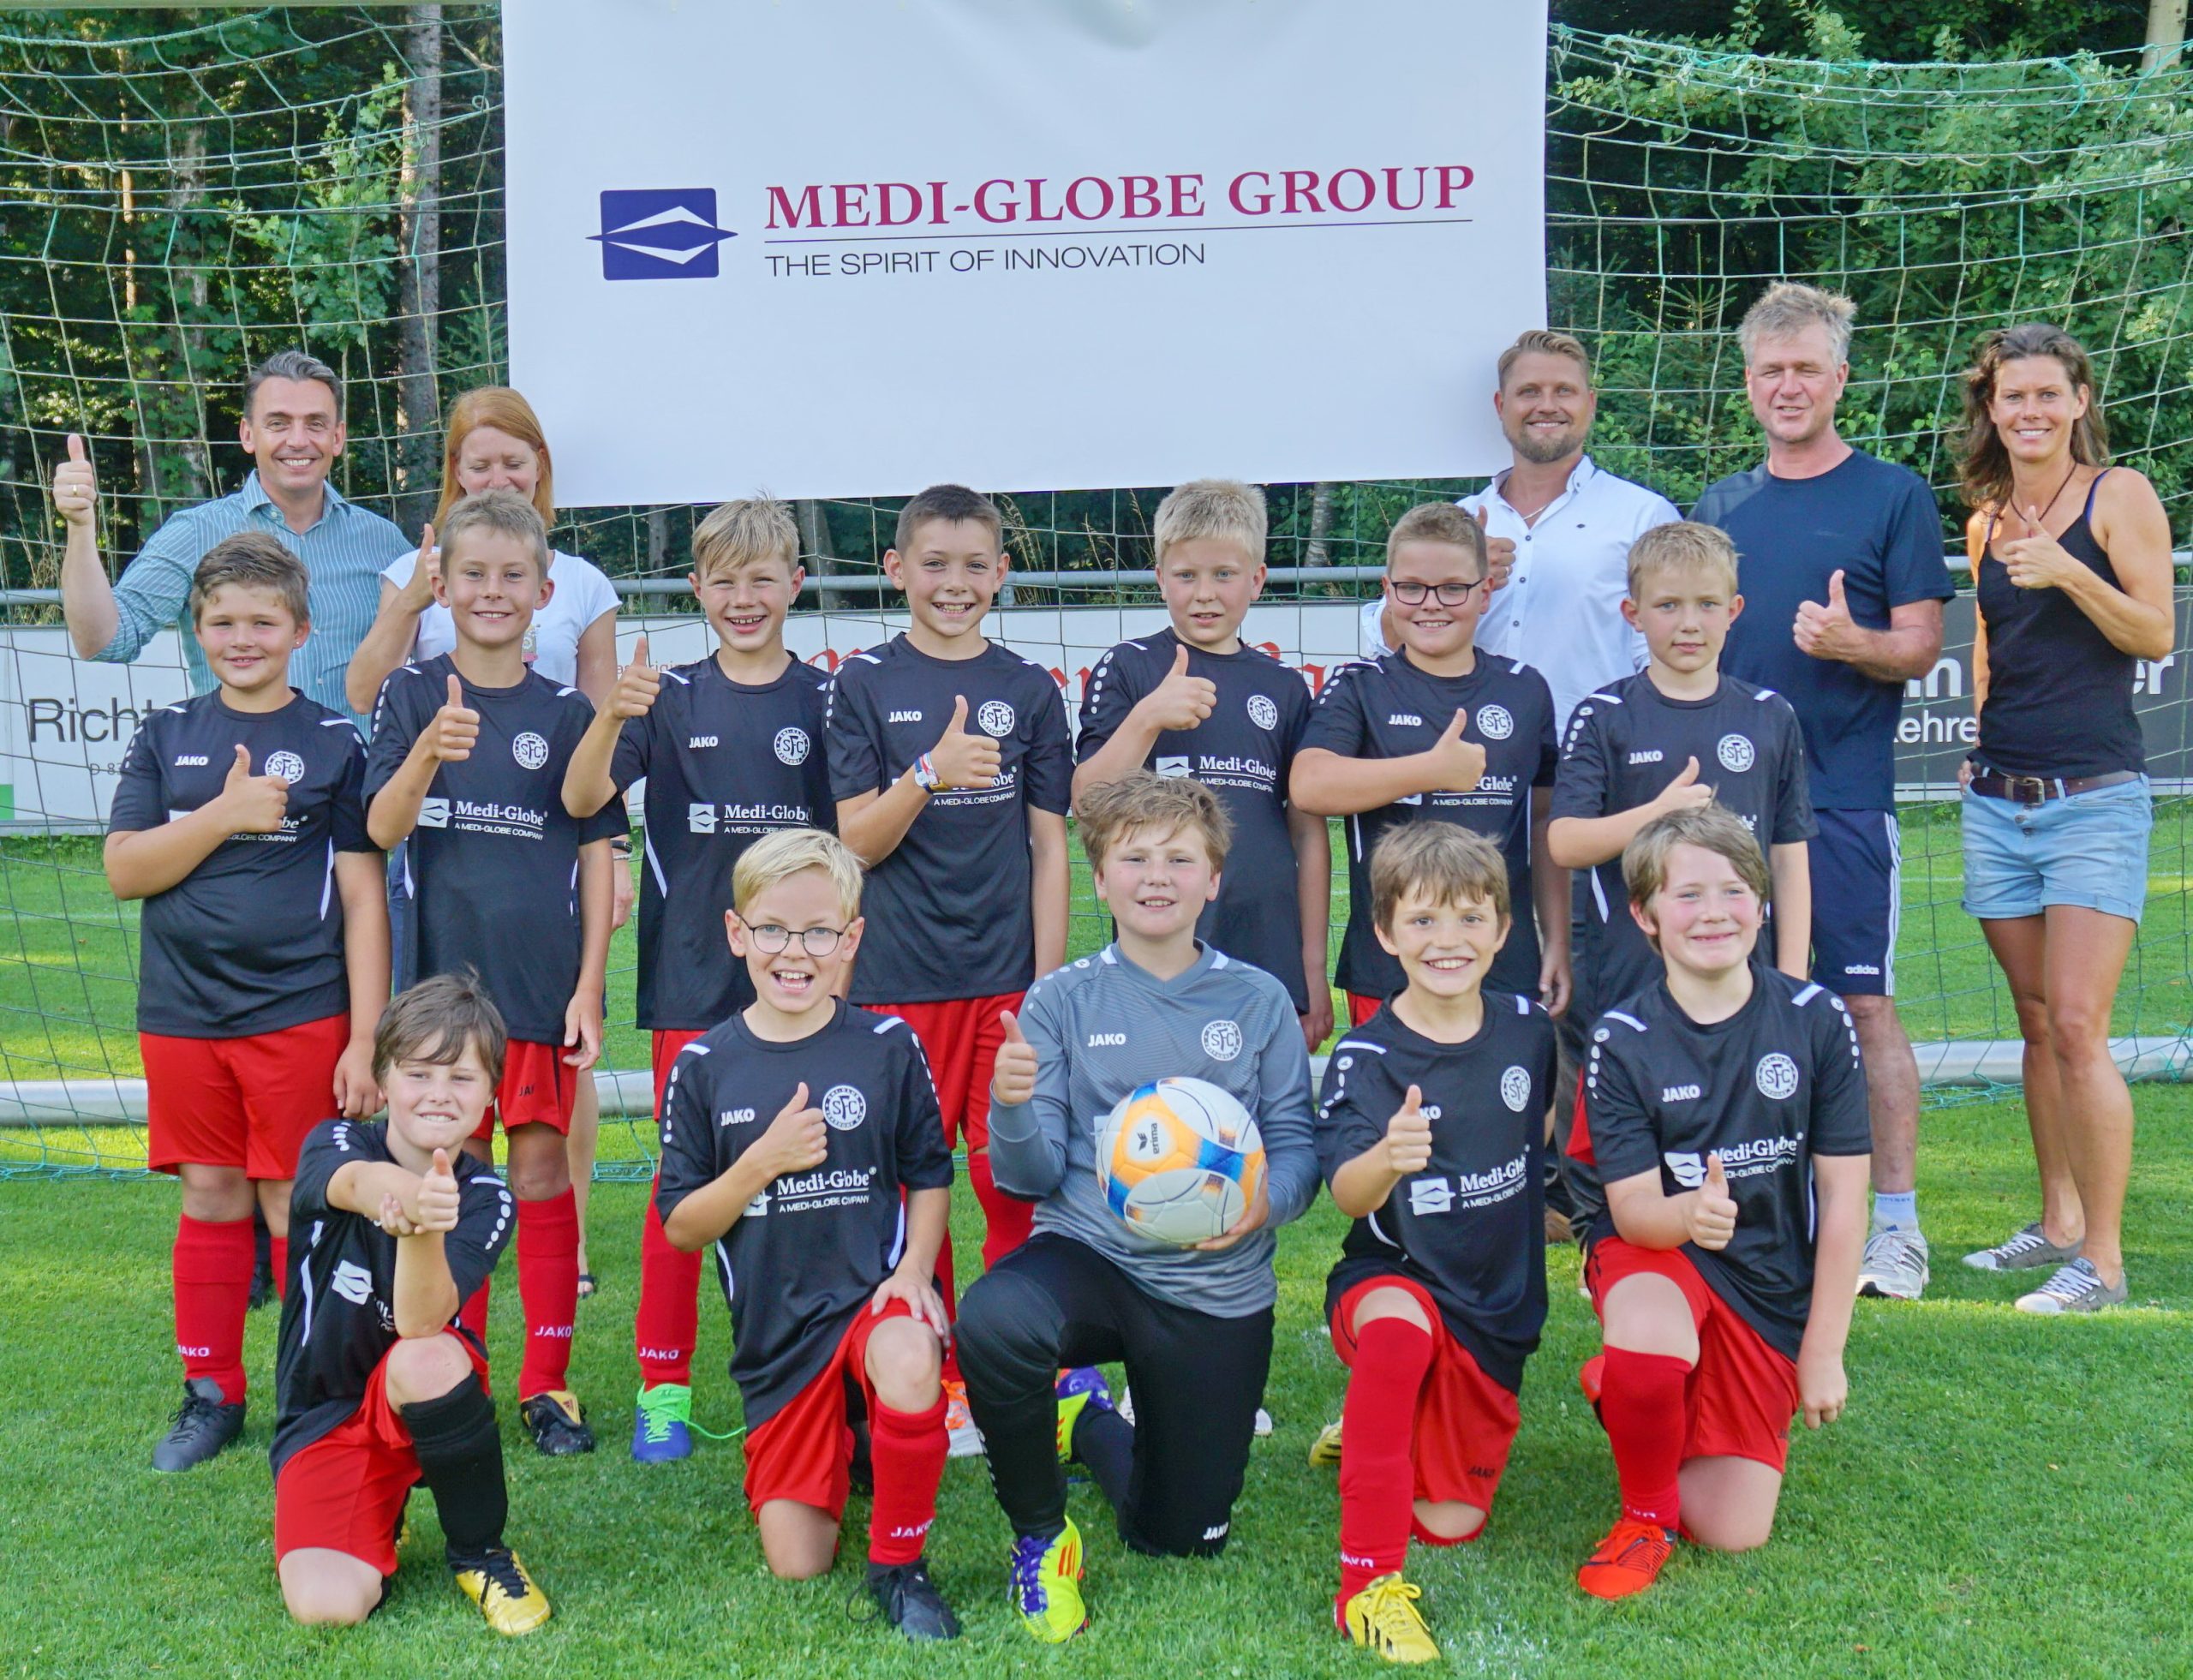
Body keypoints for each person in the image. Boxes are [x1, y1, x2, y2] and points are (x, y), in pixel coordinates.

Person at [955, 772, 1318, 1643]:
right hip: (1092, 1257)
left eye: (1180, 859)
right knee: (995, 1321)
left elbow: (1298, 1147)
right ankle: (1042, 1540)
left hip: (1213, 1285)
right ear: (1099, 879)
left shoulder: (1259, 999)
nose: (1158, 876)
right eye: (1135, 858)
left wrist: (1264, 1203)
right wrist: (1011, 1102)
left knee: (1177, 1538)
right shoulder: (1061, 1000)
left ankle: (1084, 1420)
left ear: (1214, 879)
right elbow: (1029, 1177)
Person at [105, 535, 389, 1471]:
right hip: (182, 1011)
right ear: (197, 630)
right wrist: (223, 814)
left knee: (291, 1198)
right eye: (222, 621)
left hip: (299, 1010)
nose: (241, 638)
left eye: (262, 621)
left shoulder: (335, 739)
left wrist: (365, 1037)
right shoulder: (165, 733)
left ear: (300, 631)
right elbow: (124, 870)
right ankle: (212, 1394)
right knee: (210, 1190)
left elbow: (363, 897)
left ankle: (316, 1388)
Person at [1694, 283, 1953, 1302]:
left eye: (1807, 368)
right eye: (1771, 370)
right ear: (1747, 382)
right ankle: (1756, 1217)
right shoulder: (1718, 506)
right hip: (1725, 810)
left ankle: (1895, 1225)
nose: (1788, 385)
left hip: (1841, 798)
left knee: (1859, 1005)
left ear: (1840, 378)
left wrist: (1853, 642)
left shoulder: (1892, 494)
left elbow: (1921, 644)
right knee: (1727, 1004)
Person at [562, 497, 835, 1460]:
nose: (744, 598)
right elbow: (582, 795)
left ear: (796, 583)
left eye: (763, 579)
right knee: (682, 1186)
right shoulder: (667, 696)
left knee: (818, 1179)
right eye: (724, 581)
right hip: (690, 978)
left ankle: (809, 1370)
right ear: (696, 589)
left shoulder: (827, 699)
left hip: (803, 981)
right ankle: (663, 1385)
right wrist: (611, 713)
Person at [343, 386, 626, 1300]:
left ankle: (547, 1364)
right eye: (473, 576)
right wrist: (428, 751)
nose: (492, 593)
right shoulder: (411, 694)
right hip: (438, 981)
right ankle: (450, 1337)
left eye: (512, 578)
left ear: (544, 593)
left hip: (541, 983)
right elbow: (382, 828)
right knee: (449, 1165)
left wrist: (589, 986)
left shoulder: (570, 713)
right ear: (442, 587)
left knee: (539, 1168)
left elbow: (594, 846)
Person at [655, 829, 961, 1640]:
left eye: (819, 932)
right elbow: (682, 1226)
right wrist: (761, 1161)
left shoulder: (887, 1046)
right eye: (773, 930)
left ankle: (899, 1568)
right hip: (779, 1342)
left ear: (850, 939)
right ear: (737, 933)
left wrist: (916, 1271)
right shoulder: (702, 1065)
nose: (795, 952)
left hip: (868, 1305)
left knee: (908, 1353)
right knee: (798, 1560)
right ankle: (854, 1437)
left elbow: (931, 1173)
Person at [1563, 805, 1869, 1599]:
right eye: (1688, 894)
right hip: (1659, 1245)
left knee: (1734, 1530)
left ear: (1762, 904)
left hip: (1768, 1280)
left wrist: (1824, 1349)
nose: (1713, 913)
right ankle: (1645, 1517)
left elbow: (1843, 1197)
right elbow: (1632, 1207)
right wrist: (1688, 1217)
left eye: (1733, 891)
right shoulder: (1623, 1036)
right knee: (1649, 1332)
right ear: (1645, 915)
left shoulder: (1816, 1018)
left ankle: (1628, 1390)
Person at [827, 482, 1073, 1453]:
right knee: (905, 1189)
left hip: (1005, 982)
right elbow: (855, 842)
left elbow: (1049, 848)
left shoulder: (1031, 688)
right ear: (897, 569)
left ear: (1002, 574)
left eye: (975, 565)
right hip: (896, 981)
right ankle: (929, 1372)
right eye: (934, 563)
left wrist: (1046, 985)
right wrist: (928, 772)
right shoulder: (861, 683)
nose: (954, 582)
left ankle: (1012, 1371)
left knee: (1010, 1181)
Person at [1952, 324, 2172, 1313]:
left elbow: (2155, 632)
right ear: (1991, 408)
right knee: (2037, 1023)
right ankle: (2056, 1222)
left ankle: (2104, 1264)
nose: (2030, 410)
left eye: (2048, 393)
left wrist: (2071, 571)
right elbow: (1989, 646)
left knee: (2080, 1024)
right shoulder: (1986, 519)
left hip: (2093, 800)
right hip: (1997, 803)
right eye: (2013, 396)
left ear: (2080, 400)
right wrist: (1976, 737)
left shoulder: (2118, 495)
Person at [1314, 824, 1556, 1663]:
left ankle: (1371, 1423)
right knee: (1395, 1336)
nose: (1446, 940)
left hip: (1494, 1306)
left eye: (1468, 918)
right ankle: (1366, 1586)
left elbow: (1539, 1137)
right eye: (1421, 920)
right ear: (1385, 933)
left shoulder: (1529, 1029)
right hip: (1394, 1276)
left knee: (1448, 1523)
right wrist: (1388, 1155)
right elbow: (1347, 1193)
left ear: (1502, 928)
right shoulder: (1366, 1054)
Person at [272, 973, 547, 1635]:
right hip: (328, 1414)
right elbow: (356, 1182)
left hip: (426, 1393)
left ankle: (481, 1552)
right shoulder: (334, 1143)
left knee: (426, 1355)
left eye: (462, 1077)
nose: (439, 1093)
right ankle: (376, 1505)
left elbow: (421, 1320)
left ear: (491, 1092)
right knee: (328, 1606)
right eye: (419, 1073)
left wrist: (423, 1224)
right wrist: (409, 1198)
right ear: (384, 1078)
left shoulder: (487, 1197)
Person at [1073, 477, 1332, 1050]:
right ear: (1160, 577)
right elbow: (1087, 801)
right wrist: (1148, 718)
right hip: (1162, 943)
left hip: (1266, 947)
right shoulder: (1131, 667)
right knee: (1164, 1097)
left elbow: (1308, 832)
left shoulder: (1285, 687)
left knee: (1263, 1100)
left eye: (1224, 575)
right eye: (1187, 575)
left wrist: (1312, 968)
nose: (1205, 594)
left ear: (1257, 579)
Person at [1294, 503, 1567, 1027]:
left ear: (1486, 592)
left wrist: (1554, 939)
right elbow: (1310, 785)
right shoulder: (1360, 686)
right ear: (1388, 590)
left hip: (1502, 966)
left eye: (1453, 588)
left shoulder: (1525, 689)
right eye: (1412, 588)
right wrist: (1430, 770)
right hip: (1388, 967)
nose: (1431, 604)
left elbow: (1545, 822)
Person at [1549, 521, 1814, 1031]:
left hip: (1748, 975)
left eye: (1707, 604)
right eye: (1668, 605)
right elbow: (1565, 843)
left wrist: (1792, 981)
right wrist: (1656, 814)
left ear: (1733, 611)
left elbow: (1788, 855)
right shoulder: (1604, 715)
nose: (1689, 623)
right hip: (1629, 976)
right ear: (1634, 614)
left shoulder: (1769, 715)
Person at [53, 350, 412, 726]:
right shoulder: (195, 533)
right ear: (247, 434)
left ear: (337, 437)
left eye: (315, 424)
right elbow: (104, 641)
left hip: (357, 763)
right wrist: (80, 528)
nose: (298, 440)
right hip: (235, 761)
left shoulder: (383, 543)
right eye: (278, 423)